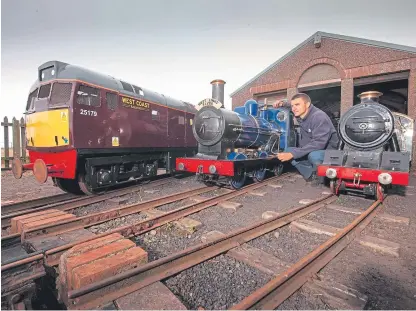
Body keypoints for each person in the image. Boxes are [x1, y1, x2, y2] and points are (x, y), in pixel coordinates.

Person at [273, 93, 339, 184]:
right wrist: (282, 104)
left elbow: (319, 143)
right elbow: (293, 106)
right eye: (292, 106)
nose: (294, 108)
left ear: (307, 104)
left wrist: (294, 154)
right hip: (312, 148)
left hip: (328, 151)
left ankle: (324, 178)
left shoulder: (319, 116)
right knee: (287, 151)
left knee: (313, 156)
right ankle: (311, 175)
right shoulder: (302, 113)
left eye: (297, 105)